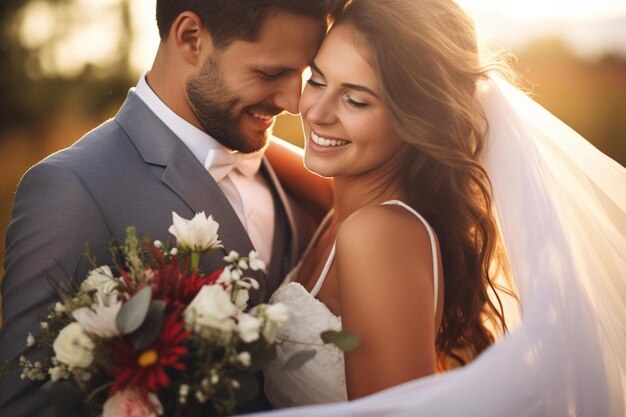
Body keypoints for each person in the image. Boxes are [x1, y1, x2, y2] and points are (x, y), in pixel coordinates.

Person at [259, 0, 626, 414]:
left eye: (356, 101)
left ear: (414, 120)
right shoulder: (350, 201)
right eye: (318, 80)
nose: (316, 112)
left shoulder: (378, 233)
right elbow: (255, 148)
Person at [0, 1, 342, 415]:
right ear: (190, 38)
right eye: (270, 73)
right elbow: (30, 405)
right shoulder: (72, 188)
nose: (293, 101)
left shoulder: (295, 174)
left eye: (304, 73)